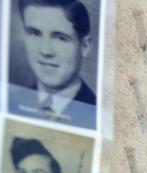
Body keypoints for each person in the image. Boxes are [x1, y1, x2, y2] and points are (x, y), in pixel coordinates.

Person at [8, 0, 97, 129]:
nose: (45, 51)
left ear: (85, 46)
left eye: (60, 38)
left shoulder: (97, 115)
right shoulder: (10, 102)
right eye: (35, 33)